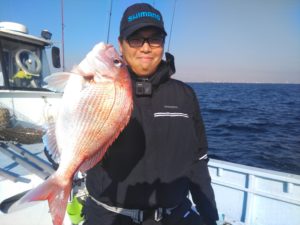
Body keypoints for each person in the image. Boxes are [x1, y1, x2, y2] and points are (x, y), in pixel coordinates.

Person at [82, 3, 219, 225]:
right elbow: (76, 142)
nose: (145, 48)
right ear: (121, 45)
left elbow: (198, 161)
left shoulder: (185, 96)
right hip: (110, 217)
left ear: (163, 44)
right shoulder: (98, 91)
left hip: (174, 215)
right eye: (135, 39)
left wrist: (209, 217)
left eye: (154, 39)